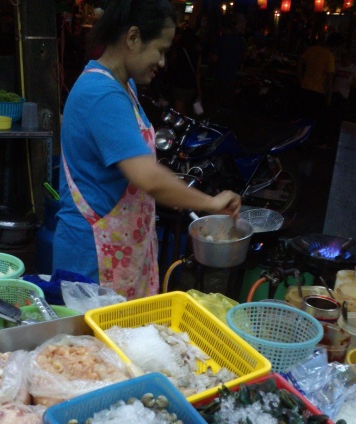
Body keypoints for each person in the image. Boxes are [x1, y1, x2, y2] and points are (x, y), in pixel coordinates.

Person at [53, 0, 241, 300]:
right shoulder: (101, 94)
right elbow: (148, 177)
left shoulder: (124, 86)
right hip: (93, 255)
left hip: (122, 247)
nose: (163, 62)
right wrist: (211, 203)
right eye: (161, 50)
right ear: (132, 38)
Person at [297, 34, 341, 148]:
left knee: (304, 114)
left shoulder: (312, 50)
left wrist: (301, 78)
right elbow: (329, 78)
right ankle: (317, 141)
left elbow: (300, 62)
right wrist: (329, 95)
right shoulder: (329, 56)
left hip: (305, 87)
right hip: (318, 90)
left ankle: (300, 138)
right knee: (318, 117)